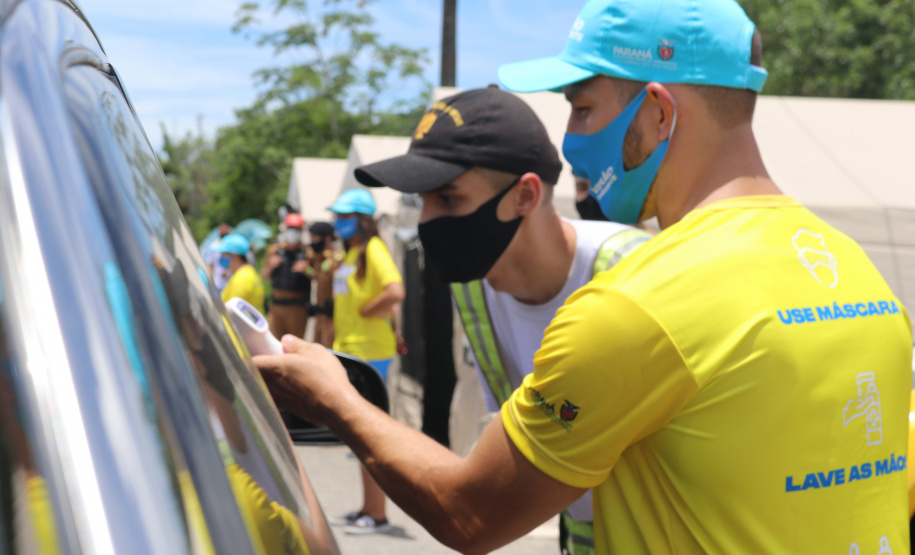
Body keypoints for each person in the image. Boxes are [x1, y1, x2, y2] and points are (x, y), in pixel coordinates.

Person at [254, 1, 912, 553]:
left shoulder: (636, 302)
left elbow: (470, 513)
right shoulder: (856, 271)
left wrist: (334, 398)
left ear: (657, 111)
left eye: (583, 108)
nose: (569, 141)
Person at [353, 85, 651, 554]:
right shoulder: (476, 286)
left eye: (448, 199)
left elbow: (474, 517)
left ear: (526, 195)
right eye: (423, 201)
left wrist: (337, 402)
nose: (427, 221)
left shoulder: (634, 273)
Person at [326, 188, 406, 535]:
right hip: (353, 350)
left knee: (367, 436)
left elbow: (395, 290)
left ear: (362, 220)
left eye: (345, 216)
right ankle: (367, 508)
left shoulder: (373, 248)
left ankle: (377, 514)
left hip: (371, 353)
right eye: (338, 216)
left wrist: (365, 310)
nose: (338, 222)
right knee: (358, 437)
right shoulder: (352, 253)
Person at [261, 213, 311, 339]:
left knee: (294, 345)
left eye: (296, 229)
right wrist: (271, 266)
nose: (293, 232)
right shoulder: (274, 250)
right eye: (290, 228)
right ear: (285, 229)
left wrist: (307, 270)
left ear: (301, 230)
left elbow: (319, 276)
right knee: (273, 344)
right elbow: (264, 275)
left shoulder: (308, 253)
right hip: (277, 307)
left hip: (297, 308)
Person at [304, 221, 339, 348]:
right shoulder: (320, 258)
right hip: (320, 315)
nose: (312, 241)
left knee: (328, 352)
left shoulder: (335, 259)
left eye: (315, 237)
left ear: (327, 238)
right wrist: (306, 270)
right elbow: (316, 275)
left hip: (330, 317)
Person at [215, 234, 265, 314]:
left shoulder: (242, 278)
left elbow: (229, 312)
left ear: (234, 255)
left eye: (223, 254)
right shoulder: (248, 271)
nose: (221, 257)